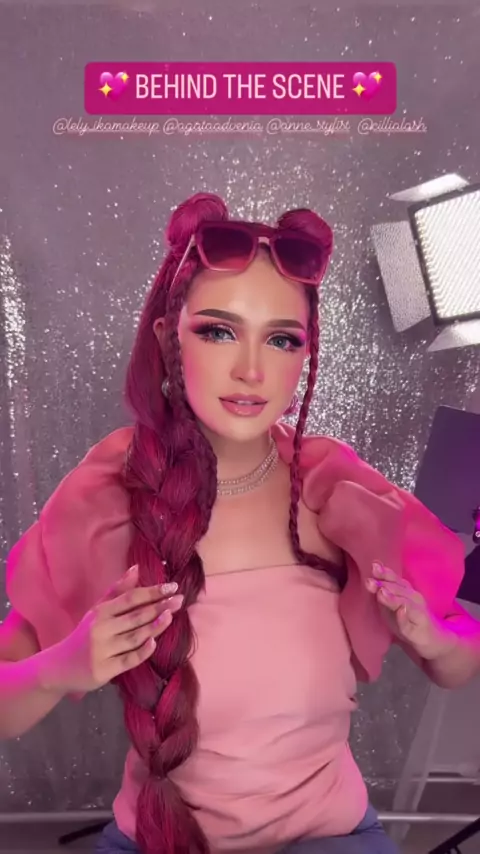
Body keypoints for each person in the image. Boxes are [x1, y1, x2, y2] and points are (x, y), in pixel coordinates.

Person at [1, 192, 480, 854]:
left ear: (304, 355)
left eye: (281, 339)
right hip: (156, 839)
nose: (253, 370)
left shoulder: (333, 492)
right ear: (168, 338)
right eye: (219, 331)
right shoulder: (109, 497)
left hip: (331, 836)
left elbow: (459, 660)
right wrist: (60, 667)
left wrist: (435, 639)